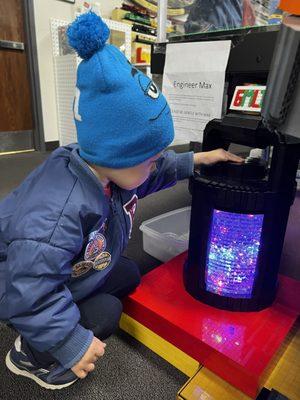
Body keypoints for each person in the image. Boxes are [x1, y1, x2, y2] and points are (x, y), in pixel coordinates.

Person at [0, 12, 243, 390]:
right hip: (18, 285)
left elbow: (153, 172)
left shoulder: (108, 167)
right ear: (118, 155)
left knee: (127, 272)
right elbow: (29, 289)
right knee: (106, 313)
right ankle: (30, 355)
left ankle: (63, 315)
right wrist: (70, 342)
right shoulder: (56, 213)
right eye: (148, 157)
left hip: (58, 267)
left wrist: (195, 161)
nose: (154, 164)